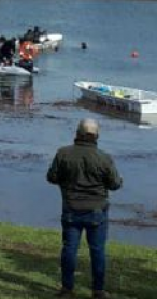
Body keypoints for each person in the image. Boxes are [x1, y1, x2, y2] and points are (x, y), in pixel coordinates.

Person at [47, 119, 122, 299]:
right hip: (97, 210)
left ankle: (67, 289)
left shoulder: (63, 153)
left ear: (77, 133)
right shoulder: (104, 157)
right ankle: (98, 290)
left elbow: (51, 177)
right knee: (97, 250)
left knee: (69, 248)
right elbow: (114, 184)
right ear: (96, 136)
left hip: (71, 208)